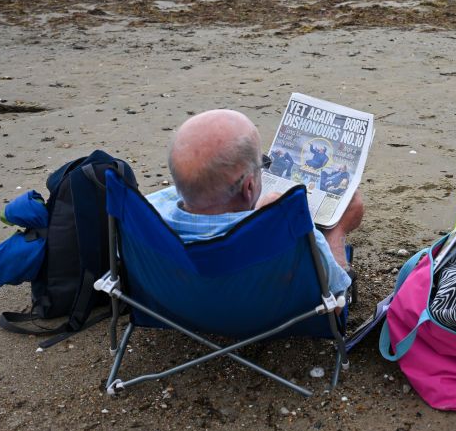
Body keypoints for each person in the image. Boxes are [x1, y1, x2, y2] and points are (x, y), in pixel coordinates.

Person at [146, 109, 363, 294]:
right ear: (249, 188)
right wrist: (336, 232)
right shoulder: (290, 236)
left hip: (177, 306)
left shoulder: (143, 217)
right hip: (265, 318)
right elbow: (335, 290)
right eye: (263, 164)